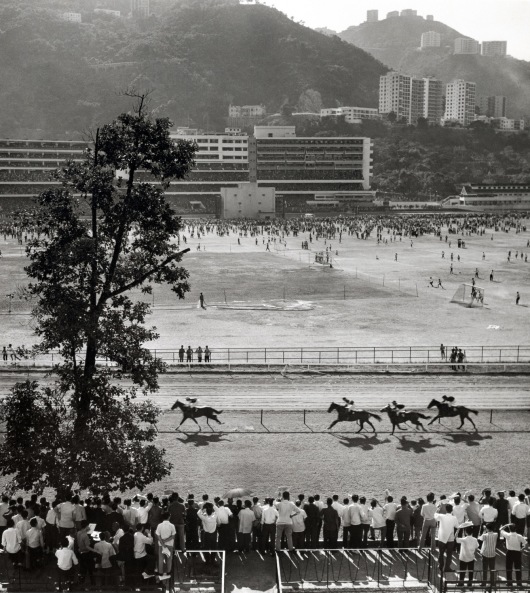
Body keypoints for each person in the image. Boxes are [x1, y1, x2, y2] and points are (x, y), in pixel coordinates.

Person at [499, 523, 527, 588]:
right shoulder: (519, 536)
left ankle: (509, 583)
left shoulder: (507, 535)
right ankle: (519, 583)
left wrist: (506, 525)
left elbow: (500, 529)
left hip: (509, 552)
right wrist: (522, 549)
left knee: (509, 568)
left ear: (509, 529)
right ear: (516, 529)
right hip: (517, 553)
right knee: (518, 568)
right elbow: (526, 543)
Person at [434, 503, 458, 573]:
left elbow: (434, 516)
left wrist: (438, 509)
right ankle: (447, 567)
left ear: (446, 510)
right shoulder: (454, 518)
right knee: (449, 554)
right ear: (452, 510)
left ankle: (440, 566)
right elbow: (457, 526)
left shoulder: (442, 516)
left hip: (442, 537)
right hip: (450, 538)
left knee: (441, 553)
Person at [155, 512, 175, 581]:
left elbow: (158, 535)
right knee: (169, 559)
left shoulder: (159, 525)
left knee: (160, 559)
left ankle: (160, 573)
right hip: (169, 544)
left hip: (161, 545)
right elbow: (173, 536)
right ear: (169, 517)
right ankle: (168, 572)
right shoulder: (172, 525)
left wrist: (162, 542)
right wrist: (165, 541)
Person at [478, 523, 498, 587]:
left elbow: (479, 538)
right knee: (492, 569)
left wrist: (483, 531)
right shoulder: (496, 534)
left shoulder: (485, 535)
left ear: (487, 528)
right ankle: (492, 583)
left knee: (485, 569)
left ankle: (484, 582)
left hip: (485, 554)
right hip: (492, 554)